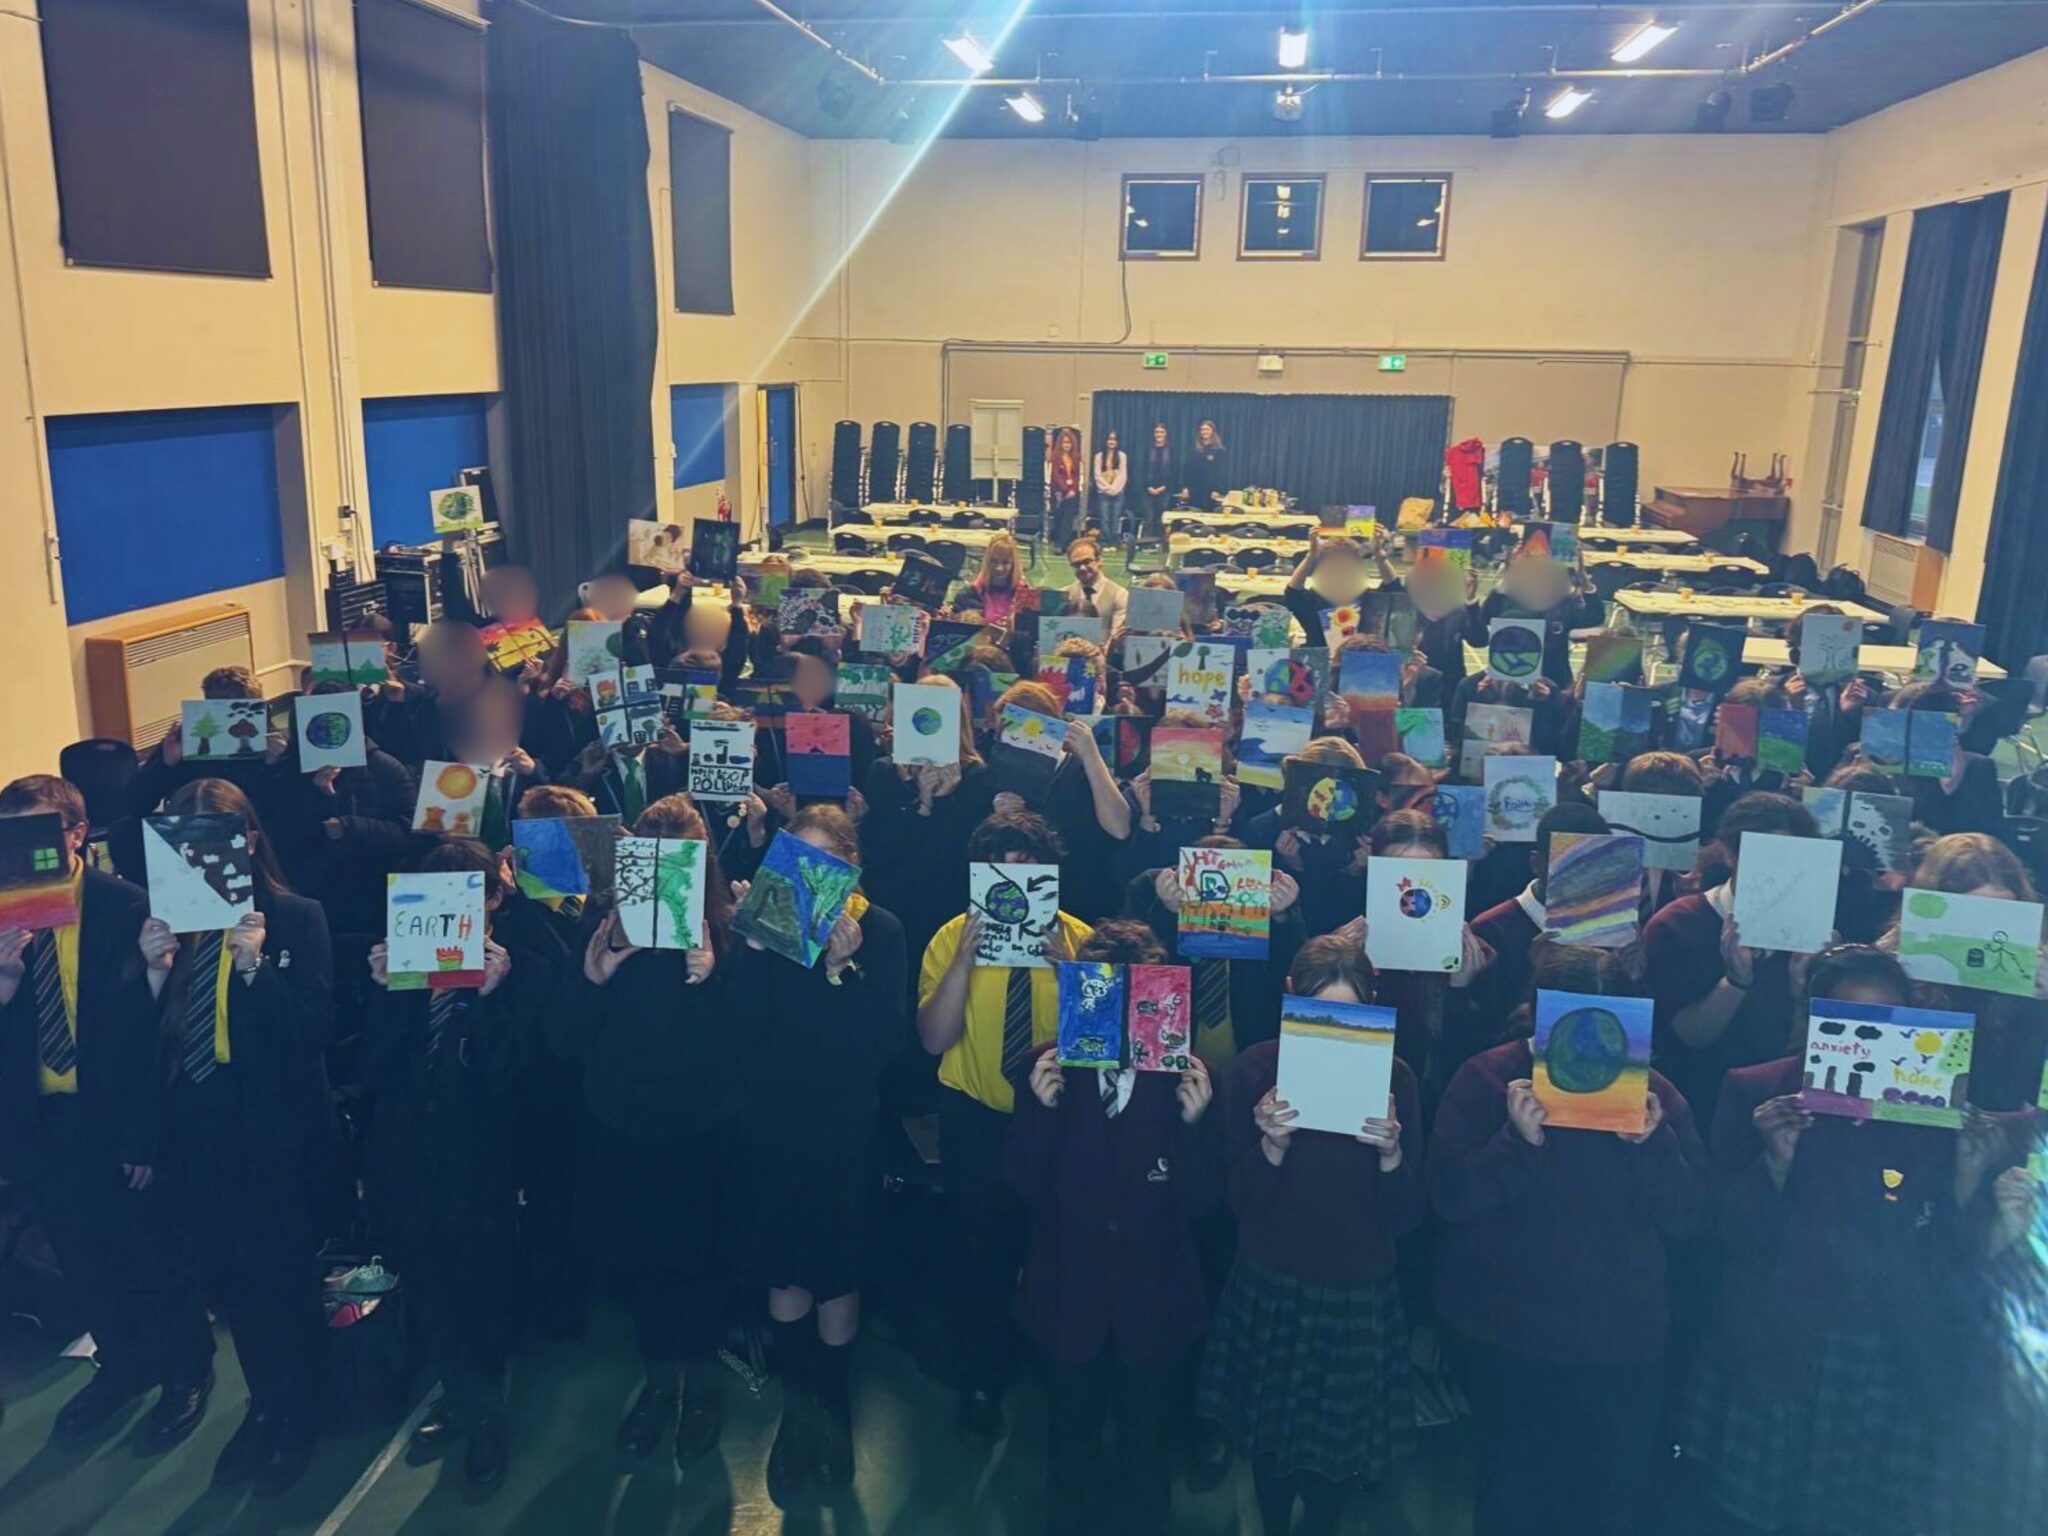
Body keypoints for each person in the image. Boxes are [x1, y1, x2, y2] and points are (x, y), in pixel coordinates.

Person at [1682, 944, 1993, 1535]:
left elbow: (1948, 1251)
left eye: (1891, 1023)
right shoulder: (1759, 1090)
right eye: (1853, 1024)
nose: (1874, 1039)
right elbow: (1716, 1229)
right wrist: (1772, 1167)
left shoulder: (1930, 1098)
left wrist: (1965, 1185)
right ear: (1816, 1019)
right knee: (1760, 1512)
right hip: (1786, 1334)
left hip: (1889, 1345)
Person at [1430, 941, 1704, 1536]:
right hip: (1509, 1336)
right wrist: (1514, 1145)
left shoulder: (1657, 1096)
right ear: (1537, 1016)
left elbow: (1690, 1220)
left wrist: (1652, 1147)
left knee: (1606, 1502)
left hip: (1620, 1343)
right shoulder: (1487, 1079)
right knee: (1512, 1498)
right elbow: (1449, 1202)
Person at [1197, 936, 1424, 1536]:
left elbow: (1407, 1217)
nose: (1334, 1034)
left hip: (1357, 1286)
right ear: (1291, 999)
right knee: (1268, 1443)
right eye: (1320, 1016)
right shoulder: (1253, 1069)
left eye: (1351, 1017)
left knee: (1337, 1454)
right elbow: (1237, 1203)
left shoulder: (1395, 1075)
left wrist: (1392, 1156)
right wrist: (1269, 1145)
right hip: (1273, 1279)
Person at [143, 779, 333, 1492]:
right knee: (232, 1288)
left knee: (282, 1285)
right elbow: (149, 1056)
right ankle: (265, 1405)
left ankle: (300, 1412)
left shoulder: (294, 917)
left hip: (273, 1142)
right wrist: (153, 976)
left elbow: (315, 1032)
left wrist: (253, 966)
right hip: (198, 1142)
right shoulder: (171, 931)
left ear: (247, 843)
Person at [1008, 918, 1216, 1534]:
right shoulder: (1045, 1066)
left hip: (1153, 1300)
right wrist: (1042, 1112)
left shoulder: (1185, 1072)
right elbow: (1020, 1182)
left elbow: (1204, 1202)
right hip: (1067, 1290)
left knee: (1146, 1452)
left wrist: (1194, 1128)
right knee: (1068, 1442)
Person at [0, 777, 183, 1447]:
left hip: (114, 1116)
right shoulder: (2, 912)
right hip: (40, 1124)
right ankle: (121, 1365)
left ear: (77, 833)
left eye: (38, 831)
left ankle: (185, 1372)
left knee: (146, 1255)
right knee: (81, 1258)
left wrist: (144, 1136)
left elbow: (147, 1037)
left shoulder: (124, 906)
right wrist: (4, 987)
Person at [729, 806, 907, 1496]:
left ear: (847, 870)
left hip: (843, 1128)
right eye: (791, 862)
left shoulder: (879, 932)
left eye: (820, 865)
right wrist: (746, 951)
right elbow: (740, 1031)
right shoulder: (767, 934)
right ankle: (795, 1413)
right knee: (784, 1272)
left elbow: (883, 1046)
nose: (803, 880)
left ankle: (832, 1415)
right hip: (771, 1126)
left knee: (837, 1273)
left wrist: (841, 970)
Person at [557, 793, 736, 1468]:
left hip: (702, 1136)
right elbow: (563, 1040)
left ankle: (705, 1394)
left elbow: (752, 1048)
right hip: (623, 1130)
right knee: (647, 1273)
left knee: (702, 1270)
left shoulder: (728, 932)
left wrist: (713, 978)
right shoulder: (606, 930)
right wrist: (592, 978)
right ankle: (662, 1386)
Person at [916, 809, 1093, 1439]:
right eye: (1002, 868)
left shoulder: (1078, 937)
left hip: (1055, 1121)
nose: (1015, 880)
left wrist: (1072, 969)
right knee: (981, 1253)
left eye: (1029, 868)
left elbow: (1098, 1049)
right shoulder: (949, 936)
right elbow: (934, 1039)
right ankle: (981, 1378)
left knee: (1054, 1248)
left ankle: (1054, 1368)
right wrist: (964, 961)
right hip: (974, 1116)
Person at [362, 840, 529, 1490]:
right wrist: (383, 990)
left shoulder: (516, 970)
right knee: (429, 1285)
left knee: (482, 1293)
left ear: (492, 899)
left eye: (467, 893)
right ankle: (457, 1396)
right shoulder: (404, 970)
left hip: (478, 1164)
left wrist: (491, 997)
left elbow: (508, 1079)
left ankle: (488, 1418)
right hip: (405, 1159)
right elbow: (371, 1069)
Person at [1643, 791, 1823, 1125]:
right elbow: (1682, 1039)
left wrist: (1803, 990)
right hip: (1698, 1104)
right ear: (1730, 855)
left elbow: (1804, 1053)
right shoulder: (1677, 926)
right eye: (1769, 857)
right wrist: (1736, 981)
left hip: (1781, 1108)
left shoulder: (1812, 931)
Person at [966, 531, 1034, 628]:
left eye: (1005, 562)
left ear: (1013, 564)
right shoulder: (970, 594)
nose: (999, 568)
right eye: (994, 561)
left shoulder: (1026, 596)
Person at [1062, 537, 1129, 634]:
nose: (1082, 568)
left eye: (1086, 562)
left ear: (1099, 561)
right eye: (1076, 564)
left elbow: (1117, 634)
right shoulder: (1064, 594)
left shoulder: (1120, 595)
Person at [1091, 429, 1129, 542]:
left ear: (1117, 442)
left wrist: (1114, 489)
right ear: (1105, 441)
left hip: (1118, 492)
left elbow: (1123, 475)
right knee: (1105, 518)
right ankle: (1105, 540)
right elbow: (1097, 475)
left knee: (1115, 517)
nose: (1111, 442)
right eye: (1109, 439)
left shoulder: (1122, 456)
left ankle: (1114, 540)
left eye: (1114, 439)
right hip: (1103, 492)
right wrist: (1107, 488)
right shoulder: (1099, 456)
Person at [1183, 419, 1229, 509]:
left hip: (1210, 491)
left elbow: (1222, 472)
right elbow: (1187, 470)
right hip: (1194, 490)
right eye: (1202, 429)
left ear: (1212, 431)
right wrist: (1185, 488)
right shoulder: (1193, 449)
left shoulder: (1219, 450)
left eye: (1207, 429)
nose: (1204, 431)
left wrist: (1217, 490)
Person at [1050, 427, 1084, 548]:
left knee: (1068, 519)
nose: (1067, 445)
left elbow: (1078, 476)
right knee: (1059, 517)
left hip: (1072, 494)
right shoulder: (1055, 457)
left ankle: (1063, 545)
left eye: (1069, 442)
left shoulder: (1076, 457)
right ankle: (1057, 541)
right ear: (1060, 443)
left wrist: (1073, 490)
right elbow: (1055, 475)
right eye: (1064, 442)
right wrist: (1065, 490)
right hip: (1059, 493)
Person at [1142, 422, 1176, 535]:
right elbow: (1142, 469)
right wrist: (1148, 487)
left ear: (1166, 434)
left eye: (1161, 432)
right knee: (1148, 518)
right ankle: (1146, 542)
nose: (1159, 434)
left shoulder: (1171, 450)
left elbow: (1174, 471)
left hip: (1165, 490)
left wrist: (1163, 487)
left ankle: (1159, 543)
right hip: (1148, 490)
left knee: (1161, 519)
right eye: (1157, 432)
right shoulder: (1147, 449)